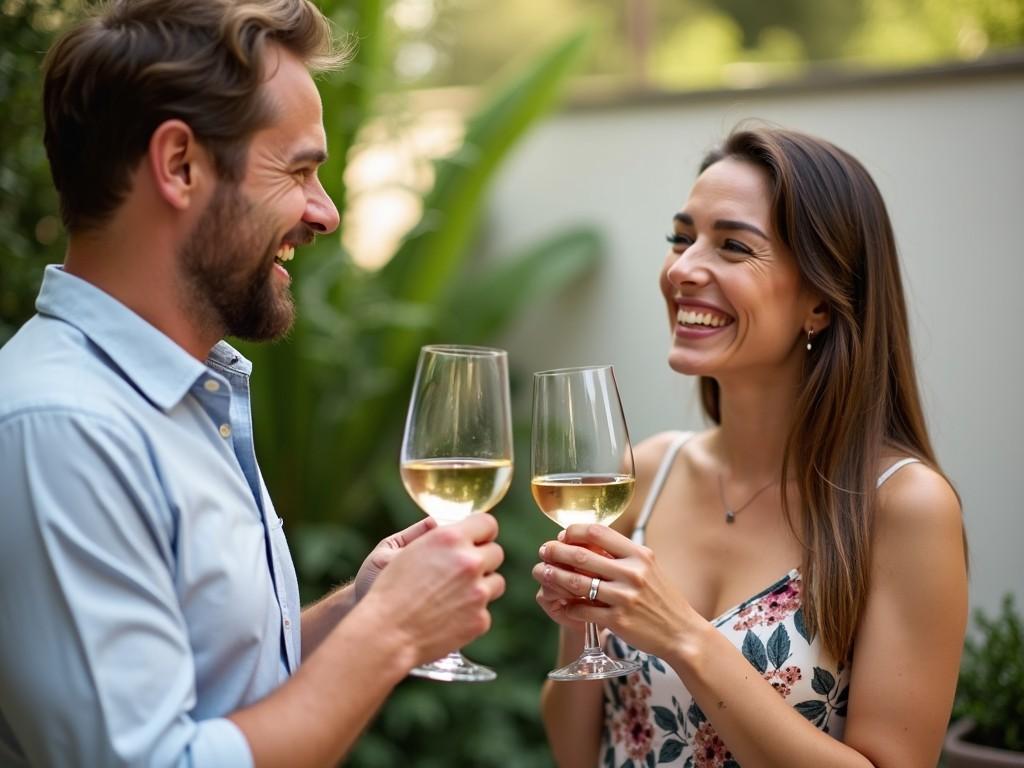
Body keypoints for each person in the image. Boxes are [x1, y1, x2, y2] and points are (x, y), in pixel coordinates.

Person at [0, 1, 505, 766]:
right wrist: (392, 632)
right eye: (299, 169)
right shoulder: (64, 428)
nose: (325, 213)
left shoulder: (185, 396)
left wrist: (358, 610)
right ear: (179, 165)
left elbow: (216, 694)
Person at [533, 126, 968, 767]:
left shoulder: (903, 507)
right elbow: (579, 754)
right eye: (681, 239)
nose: (682, 269)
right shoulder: (642, 475)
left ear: (819, 301)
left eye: (733, 246)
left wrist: (683, 637)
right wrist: (581, 621)